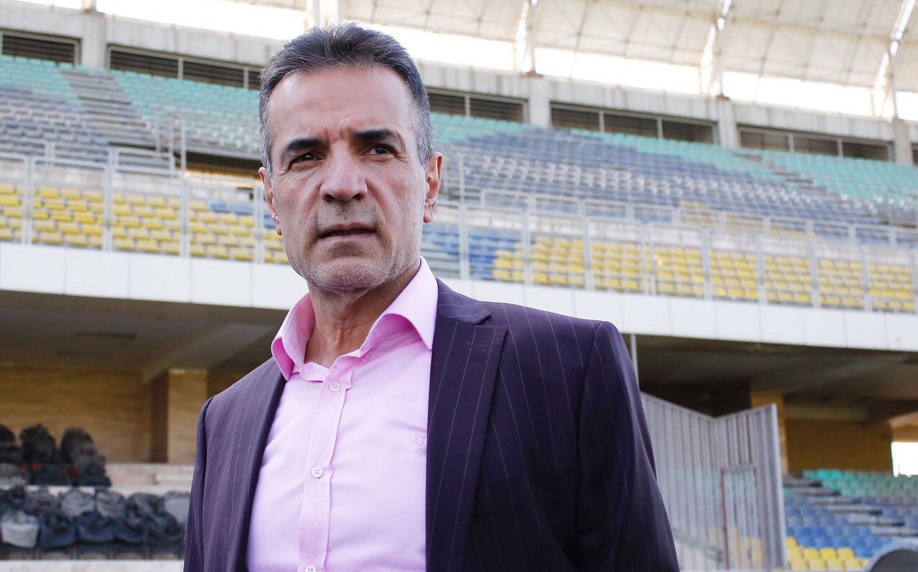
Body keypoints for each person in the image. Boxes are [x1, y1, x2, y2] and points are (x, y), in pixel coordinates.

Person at [184, 22, 678, 572]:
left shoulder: (569, 371)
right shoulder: (224, 422)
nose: (342, 184)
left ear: (431, 183)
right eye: (305, 156)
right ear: (272, 199)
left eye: (378, 148)